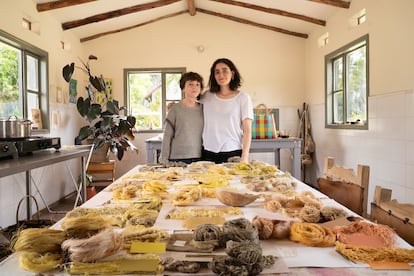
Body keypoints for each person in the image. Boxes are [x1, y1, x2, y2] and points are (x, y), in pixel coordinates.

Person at [200, 58, 253, 164]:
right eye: (217, 72)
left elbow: (247, 131)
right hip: (208, 152)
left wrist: (244, 157)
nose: (221, 75)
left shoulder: (243, 97)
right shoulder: (207, 95)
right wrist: (176, 105)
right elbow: (191, 106)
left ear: (232, 73)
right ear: (213, 76)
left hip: (232, 152)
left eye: (225, 71)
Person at [159, 72, 204, 164]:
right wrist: (163, 159)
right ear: (183, 88)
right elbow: (167, 136)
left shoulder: (204, 108)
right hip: (177, 158)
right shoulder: (175, 109)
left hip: (199, 157)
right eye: (190, 84)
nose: (194, 87)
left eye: (197, 84)